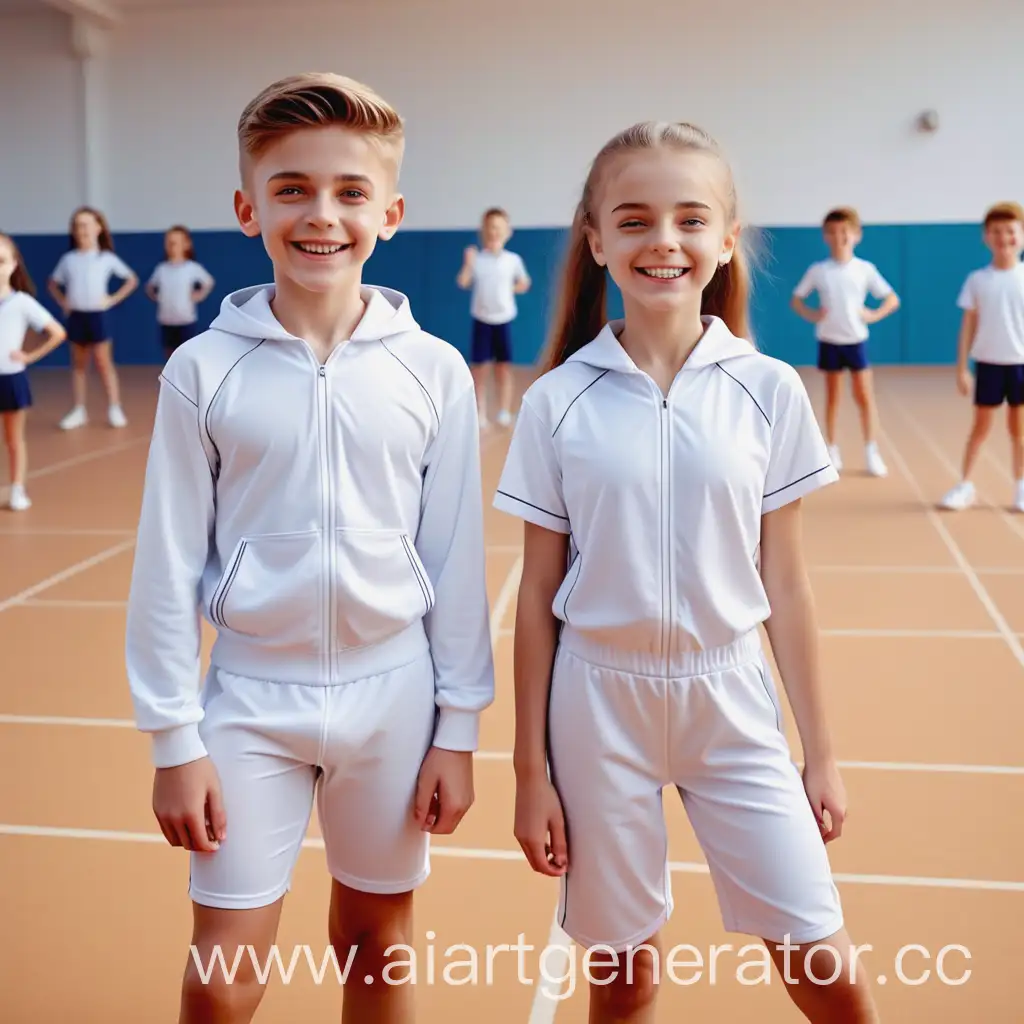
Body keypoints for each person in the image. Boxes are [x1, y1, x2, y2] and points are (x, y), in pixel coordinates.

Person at [125, 72, 494, 1023]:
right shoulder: (202, 370)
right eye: (291, 189)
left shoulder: (434, 372)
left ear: (392, 213)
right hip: (249, 701)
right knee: (223, 966)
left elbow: (455, 562)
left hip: (394, 697)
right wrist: (174, 739)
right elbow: (165, 563)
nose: (320, 215)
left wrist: (457, 730)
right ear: (249, 208)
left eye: (349, 192)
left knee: (377, 941)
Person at [494, 121, 879, 1023]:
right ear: (596, 242)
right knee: (623, 980)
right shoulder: (557, 403)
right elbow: (536, 605)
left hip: (732, 700)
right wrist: (529, 773)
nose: (662, 240)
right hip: (599, 709)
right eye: (632, 220)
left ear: (724, 240)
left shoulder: (769, 389)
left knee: (824, 962)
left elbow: (785, 583)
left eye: (688, 219)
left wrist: (819, 755)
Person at [791, 207, 899, 477]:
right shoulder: (819, 270)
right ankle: (832, 449)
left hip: (856, 341)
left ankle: (871, 450)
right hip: (829, 341)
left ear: (856, 235)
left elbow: (892, 299)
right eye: (833, 232)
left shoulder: (865, 269)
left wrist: (873, 315)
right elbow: (796, 299)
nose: (839, 237)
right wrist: (812, 314)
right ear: (825, 236)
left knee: (864, 396)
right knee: (833, 397)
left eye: (845, 232)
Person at [938, 201, 1024, 512]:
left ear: (1022, 235)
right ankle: (965, 485)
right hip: (989, 365)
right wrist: (962, 368)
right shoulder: (978, 280)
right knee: (980, 428)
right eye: (996, 231)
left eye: (1011, 231)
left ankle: (1020, 486)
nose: (1004, 237)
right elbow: (967, 328)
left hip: (1020, 365)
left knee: (1019, 430)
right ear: (986, 237)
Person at [47, 206, 137, 429]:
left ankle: (114, 407)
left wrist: (112, 299)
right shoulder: (69, 259)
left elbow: (131, 279)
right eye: (78, 225)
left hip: (98, 316)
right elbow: (52, 283)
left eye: (86, 224)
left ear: (98, 228)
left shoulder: (106, 258)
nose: (82, 229)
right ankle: (79, 410)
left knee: (104, 363)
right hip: (77, 316)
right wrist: (64, 301)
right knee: (78, 365)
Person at [0, 232, 67, 510]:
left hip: (11, 378)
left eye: (1, 261)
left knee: (14, 439)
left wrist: (28, 356)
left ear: (13, 264)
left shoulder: (22, 303)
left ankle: (17, 489)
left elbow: (57, 333)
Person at [456, 207, 530, 428]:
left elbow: (524, 282)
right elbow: (463, 282)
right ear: (483, 231)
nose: (494, 232)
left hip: (503, 320)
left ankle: (504, 411)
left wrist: (516, 287)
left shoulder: (512, 260)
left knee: (503, 367)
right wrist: (468, 264)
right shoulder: (477, 259)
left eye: (499, 228)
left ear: (507, 232)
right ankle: (480, 413)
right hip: (482, 320)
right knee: (479, 368)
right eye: (490, 228)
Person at [145, 225, 216, 361]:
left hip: (185, 319)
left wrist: (199, 295)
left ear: (186, 245)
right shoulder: (162, 269)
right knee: (169, 354)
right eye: (169, 242)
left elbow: (208, 282)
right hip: (166, 319)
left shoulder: (191, 267)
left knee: (185, 354)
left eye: (175, 242)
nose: (172, 246)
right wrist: (157, 297)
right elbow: (150, 286)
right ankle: (171, 380)